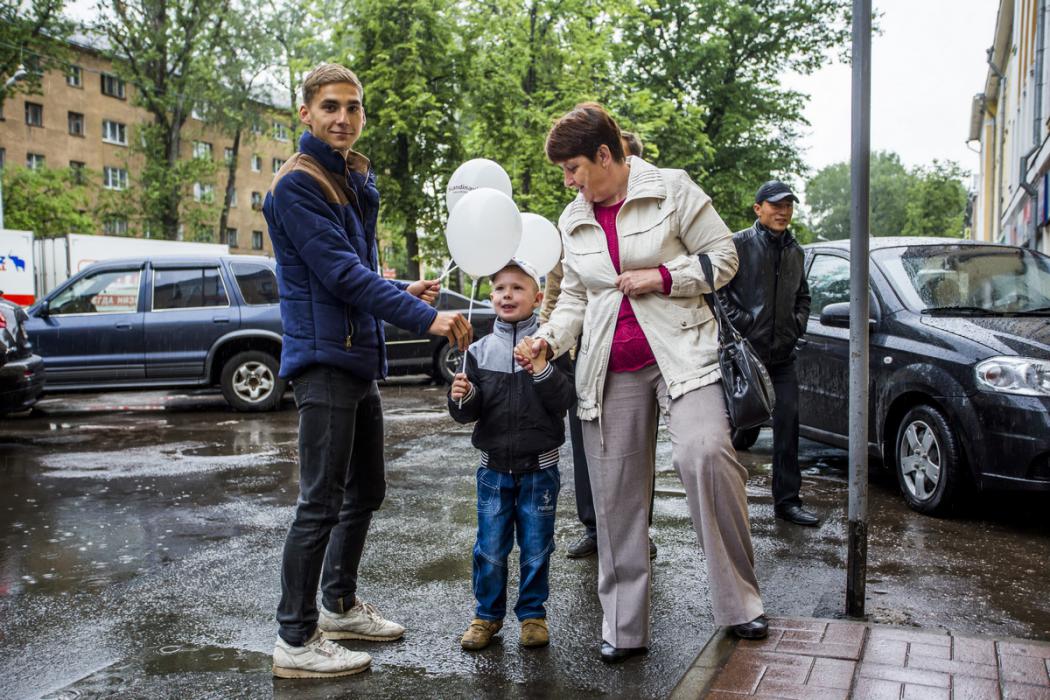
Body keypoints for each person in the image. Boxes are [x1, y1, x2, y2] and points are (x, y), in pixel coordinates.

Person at [518, 103, 767, 663]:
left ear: (606, 155)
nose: (569, 181)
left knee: (706, 454)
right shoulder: (572, 217)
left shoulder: (673, 189)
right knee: (615, 498)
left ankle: (740, 603)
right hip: (609, 365)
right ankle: (623, 626)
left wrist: (661, 277)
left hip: (684, 352)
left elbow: (723, 258)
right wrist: (548, 340)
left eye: (574, 168)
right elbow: (577, 297)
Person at [265, 63, 473, 679]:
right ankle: (295, 641)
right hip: (325, 362)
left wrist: (400, 286)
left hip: (355, 356)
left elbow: (351, 270)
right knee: (319, 504)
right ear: (305, 113)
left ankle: (337, 605)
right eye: (330, 106)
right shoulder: (299, 185)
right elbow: (338, 275)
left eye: (353, 108)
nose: (343, 118)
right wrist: (422, 317)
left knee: (367, 491)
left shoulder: (348, 178)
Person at [448, 259, 576, 651]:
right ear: (490, 297)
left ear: (538, 297)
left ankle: (533, 615)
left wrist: (540, 367)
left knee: (537, 548)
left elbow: (565, 399)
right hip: (493, 472)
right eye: (500, 288)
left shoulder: (551, 344)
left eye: (518, 288)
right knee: (489, 548)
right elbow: (465, 413)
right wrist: (461, 397)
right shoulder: (480, 350)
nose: (508, 295)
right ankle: (486, 617)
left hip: (540, 470)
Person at [543, 128, 657, 562]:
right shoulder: (574, 223)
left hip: (627, 351)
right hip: (578, 349)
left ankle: (637, 528)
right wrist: (549, 338)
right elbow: (560, 289)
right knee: (589, 446)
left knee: (635, 449)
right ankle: (595, 526)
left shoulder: (649, 211)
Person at [719, 181, 817, 527]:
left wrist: (796, 325)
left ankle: (788, 502)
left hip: (782, 357)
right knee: (730, 428)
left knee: (788, 428)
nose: (783, 211)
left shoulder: (796, 250)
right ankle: (724, 504)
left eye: (788, 205)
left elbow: (803, 296)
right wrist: (744, 325)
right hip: (745, 356)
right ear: (757, 208)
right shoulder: (738, 245)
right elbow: (719, 294)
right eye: (776, 205)